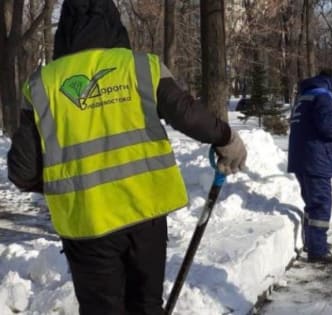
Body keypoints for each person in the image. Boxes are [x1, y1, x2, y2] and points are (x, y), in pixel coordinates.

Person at [7, 1, 247, 314]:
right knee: (146, 304)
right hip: (144, 214)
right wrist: (225, 138)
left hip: (86, 222)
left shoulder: (42, 85)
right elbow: (185, 113)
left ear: (63, 30)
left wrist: (61, 182)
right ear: (114, 22)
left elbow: (22, 170)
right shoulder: (140, 67)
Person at [287, 69, 332, 264]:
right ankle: (318, 252)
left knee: (312, 203)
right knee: (321, 204)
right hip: (316, 158)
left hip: (301, 157)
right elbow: (328, 126)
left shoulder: (304, 96)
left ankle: (313, 243)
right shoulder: (323, 96)